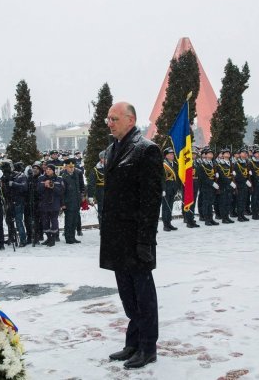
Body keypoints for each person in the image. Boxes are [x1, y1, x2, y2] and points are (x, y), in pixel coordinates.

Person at [100, 102, 162, 370]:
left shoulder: (146, 150)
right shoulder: (114, 149)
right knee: (127, 295)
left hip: (136, 237)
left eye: (114, 118)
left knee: (143, 295)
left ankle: (148, 347)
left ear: (130, 119)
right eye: (108, 119)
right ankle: (133, 342)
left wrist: (145, 240)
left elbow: (151, 200)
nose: (109, 123)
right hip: (117, 237)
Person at [38, 164, 65, 246]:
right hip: (44, 203)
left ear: (53, 170)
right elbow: (38, 189)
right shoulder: (41, 178)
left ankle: (53, 239)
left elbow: (61, 191)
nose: (47, 170)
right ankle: (48, 238)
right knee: (45, 222)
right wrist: (44, 185)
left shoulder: (59, 179)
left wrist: (52, 186)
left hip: (54, 204)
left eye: (49, 169)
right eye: (46, 169)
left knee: (54, 221)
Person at [60, 159, 84, 243]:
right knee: (69, 221)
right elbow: (62, 192)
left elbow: (80, 188)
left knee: (75, 220)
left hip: (76, 201)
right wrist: (62, 203)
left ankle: (73, 237)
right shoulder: (63, 176)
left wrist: (81, 199)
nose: (71, 169)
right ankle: (68, 238)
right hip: (68, 202)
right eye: (69, 167)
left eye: (72, 167)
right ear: (66, 167)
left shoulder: (76, 175)